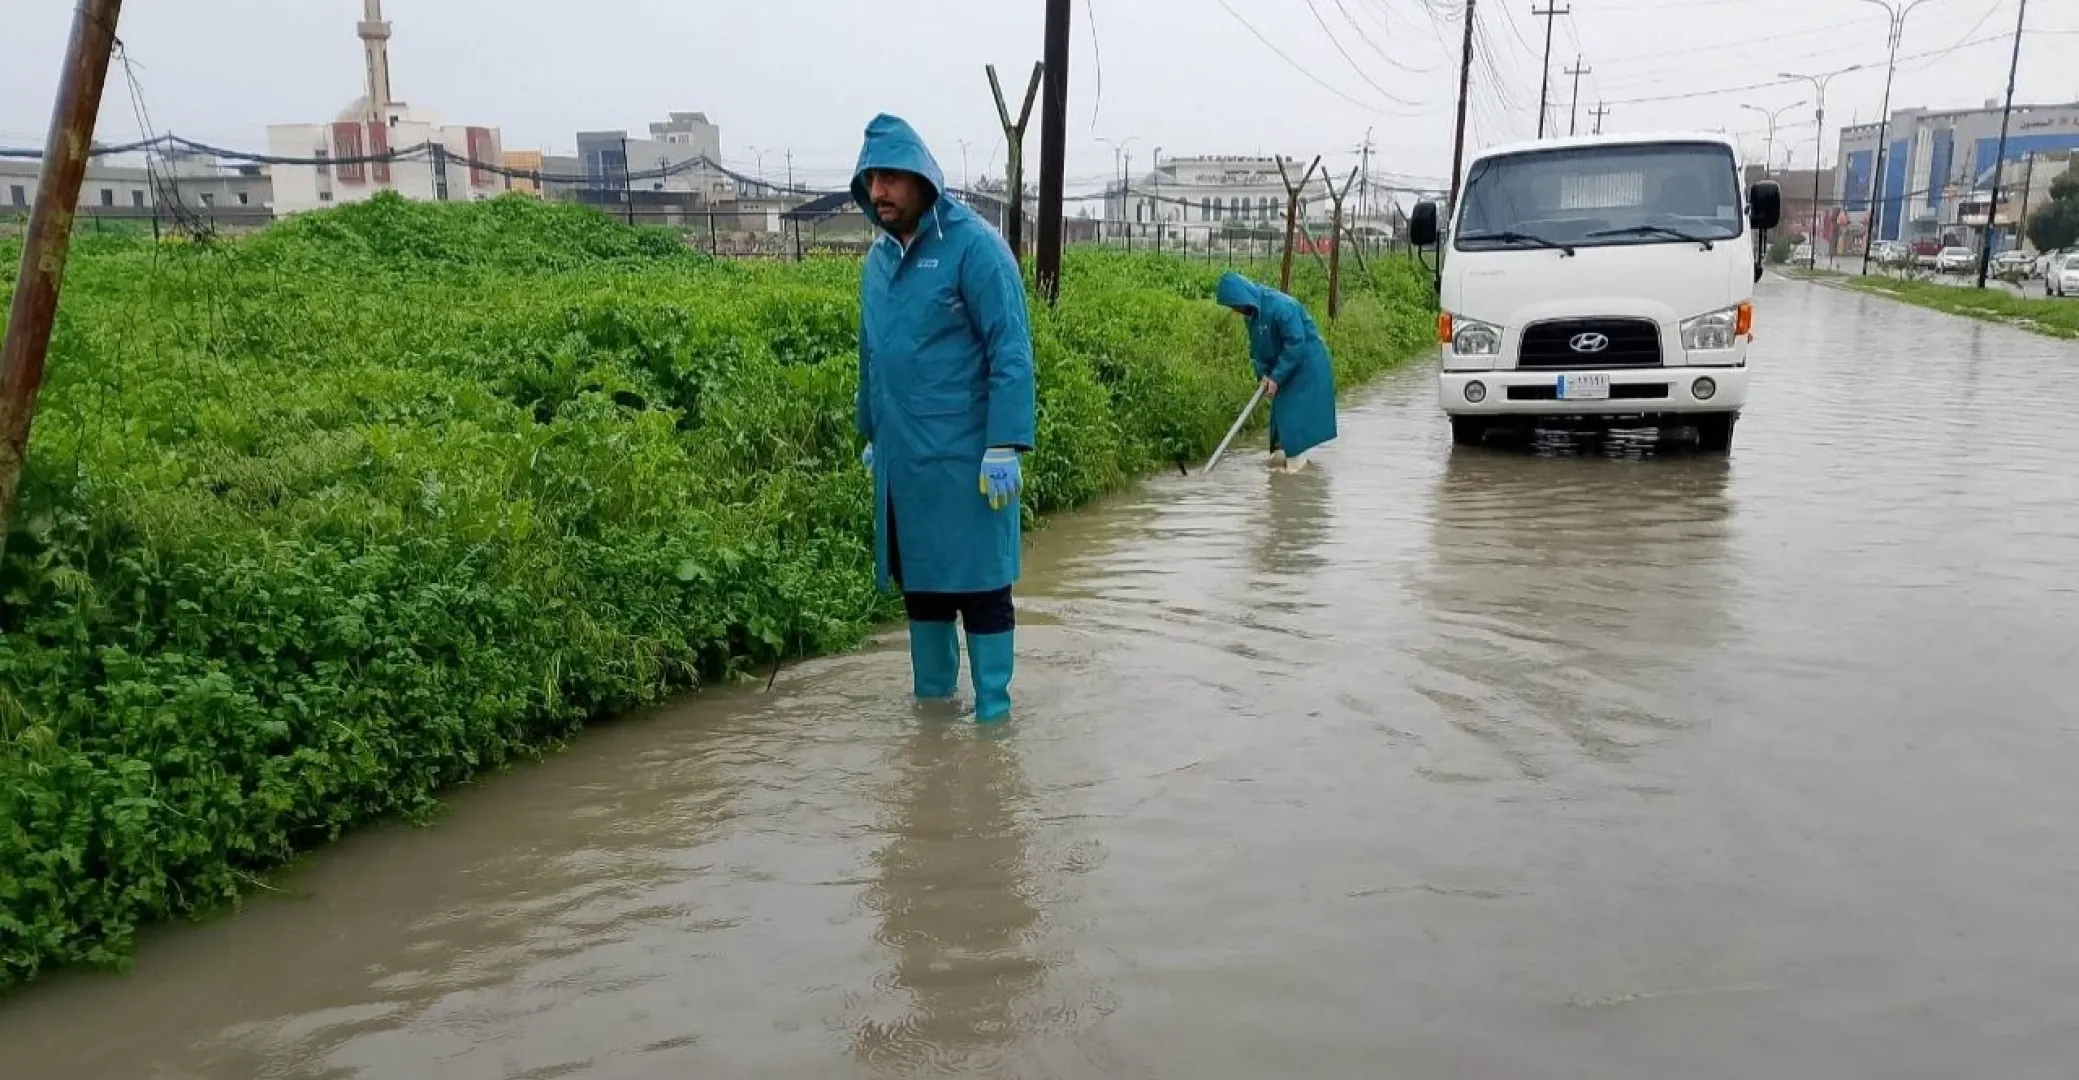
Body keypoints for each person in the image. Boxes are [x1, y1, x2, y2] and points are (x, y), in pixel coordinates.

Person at [852, 113, 1036, 723]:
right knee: (924, 594)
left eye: (892, 178)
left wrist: (1006, 441)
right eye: (872, 178)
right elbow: (872, 357)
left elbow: (1010, 348)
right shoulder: (877, 265)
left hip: (971, 462)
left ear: (923, 179)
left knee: (983, 592)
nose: (880, 191)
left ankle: (995, 725)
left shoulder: (975, 248)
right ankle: (933, 720)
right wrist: (872, 432)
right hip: (908, 469)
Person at [1214, 271, 1336, 472]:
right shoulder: (1251, 316)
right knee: (1280, 418)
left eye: (1235, 304)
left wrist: (1276, 376)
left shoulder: (1281, 306)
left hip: (1306, 366)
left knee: (1294, 419)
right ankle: (1282, 463)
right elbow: (1258, 350)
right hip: (1284, 366)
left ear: (1244, 296)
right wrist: (1263, 374)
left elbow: (1296, 342)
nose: (1235, 310)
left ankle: (1295, 473)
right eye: (1232, 307)